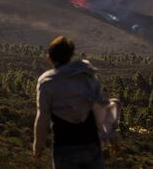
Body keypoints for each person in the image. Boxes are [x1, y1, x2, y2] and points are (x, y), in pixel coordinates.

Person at [33, 36, 106, 169]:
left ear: (49, 57)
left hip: (65, 146)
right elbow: (101, 107)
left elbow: (43, 116)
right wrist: (111, 135)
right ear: (71, 55)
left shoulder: (47, 81)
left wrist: (39, 145)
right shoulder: (86, 75)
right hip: (91, 144)